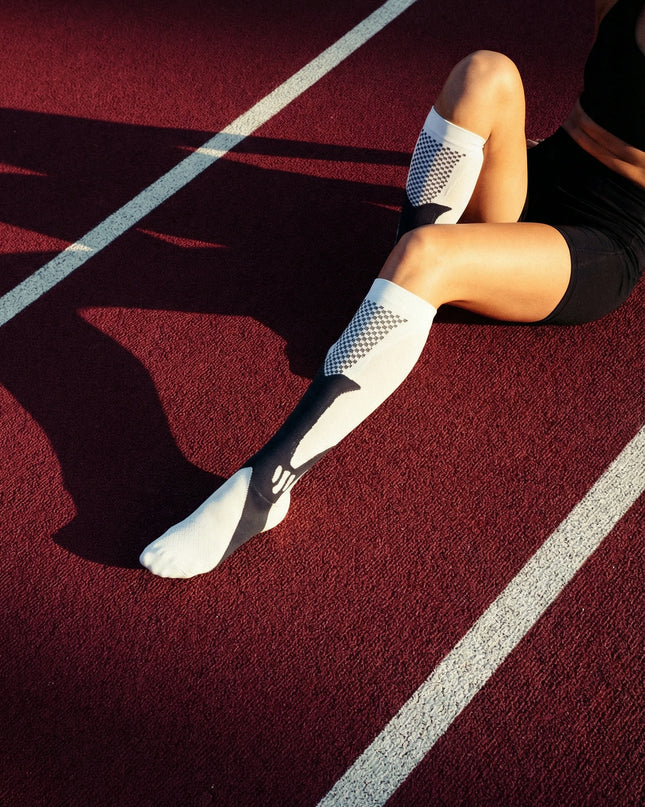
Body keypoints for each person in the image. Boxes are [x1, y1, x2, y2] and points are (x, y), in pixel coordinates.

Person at [140, 0, 645, 578]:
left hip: (602, 239)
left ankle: (267, 488)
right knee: (485, 70)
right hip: (541, 179)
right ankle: (404, 288)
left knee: (427, 255)